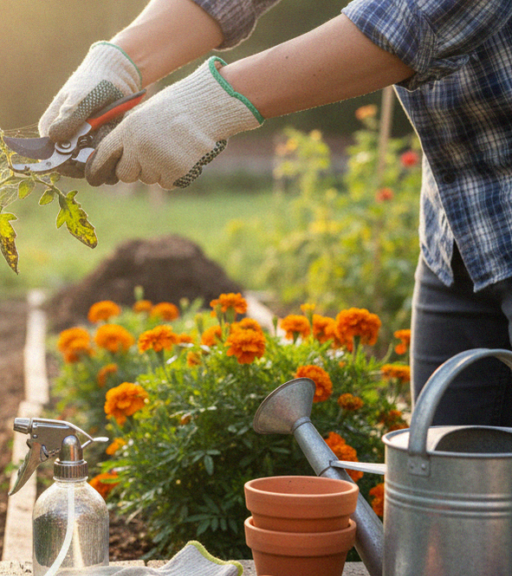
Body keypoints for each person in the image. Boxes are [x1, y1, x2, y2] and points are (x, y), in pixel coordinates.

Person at [39, 0, 512, 427]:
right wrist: (122, 59)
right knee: (444, 493)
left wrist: (209, 103)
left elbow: (416, 16)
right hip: (458, 230)